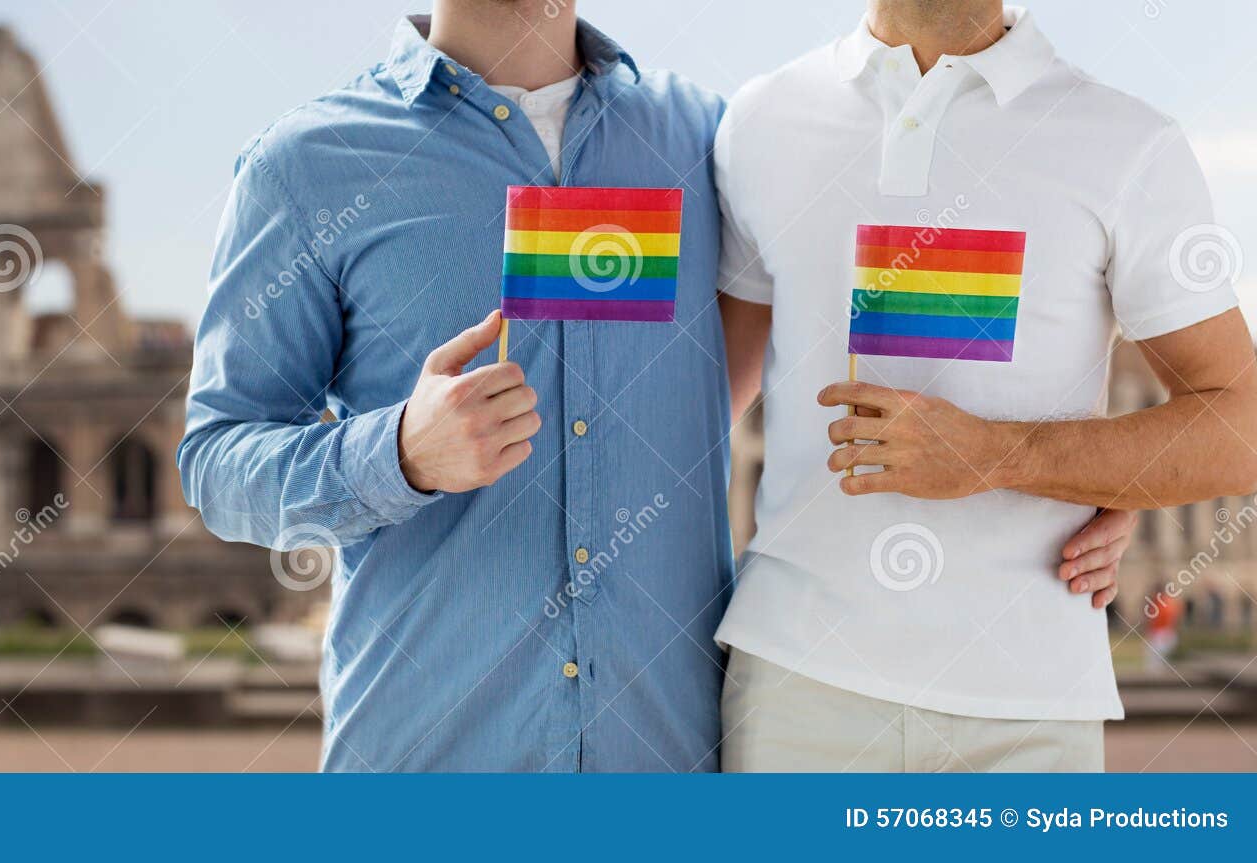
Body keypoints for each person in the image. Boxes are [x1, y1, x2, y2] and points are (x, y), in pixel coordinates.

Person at [183, 0, 1127, 772]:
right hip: (428, 756)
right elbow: (216, 462)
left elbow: (864, 328)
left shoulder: (711, 139)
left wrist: (1065, 476)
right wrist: (395, 454)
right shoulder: (308, 164)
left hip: (668, 761)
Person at [714, 0, 1255, 771]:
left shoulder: (1127, 141)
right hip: (797, 692)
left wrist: (1008, 457)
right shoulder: (760, 120)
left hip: (1029, 712)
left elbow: (1241, 427)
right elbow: (699, 405)